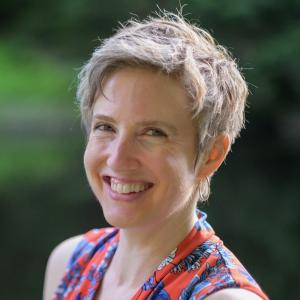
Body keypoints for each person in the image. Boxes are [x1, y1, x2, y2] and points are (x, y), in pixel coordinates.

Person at [43, 11, 269, 300]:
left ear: (211, 155)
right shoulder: (70, 263)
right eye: (105, 127)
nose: (117, 158)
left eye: (153, 133)